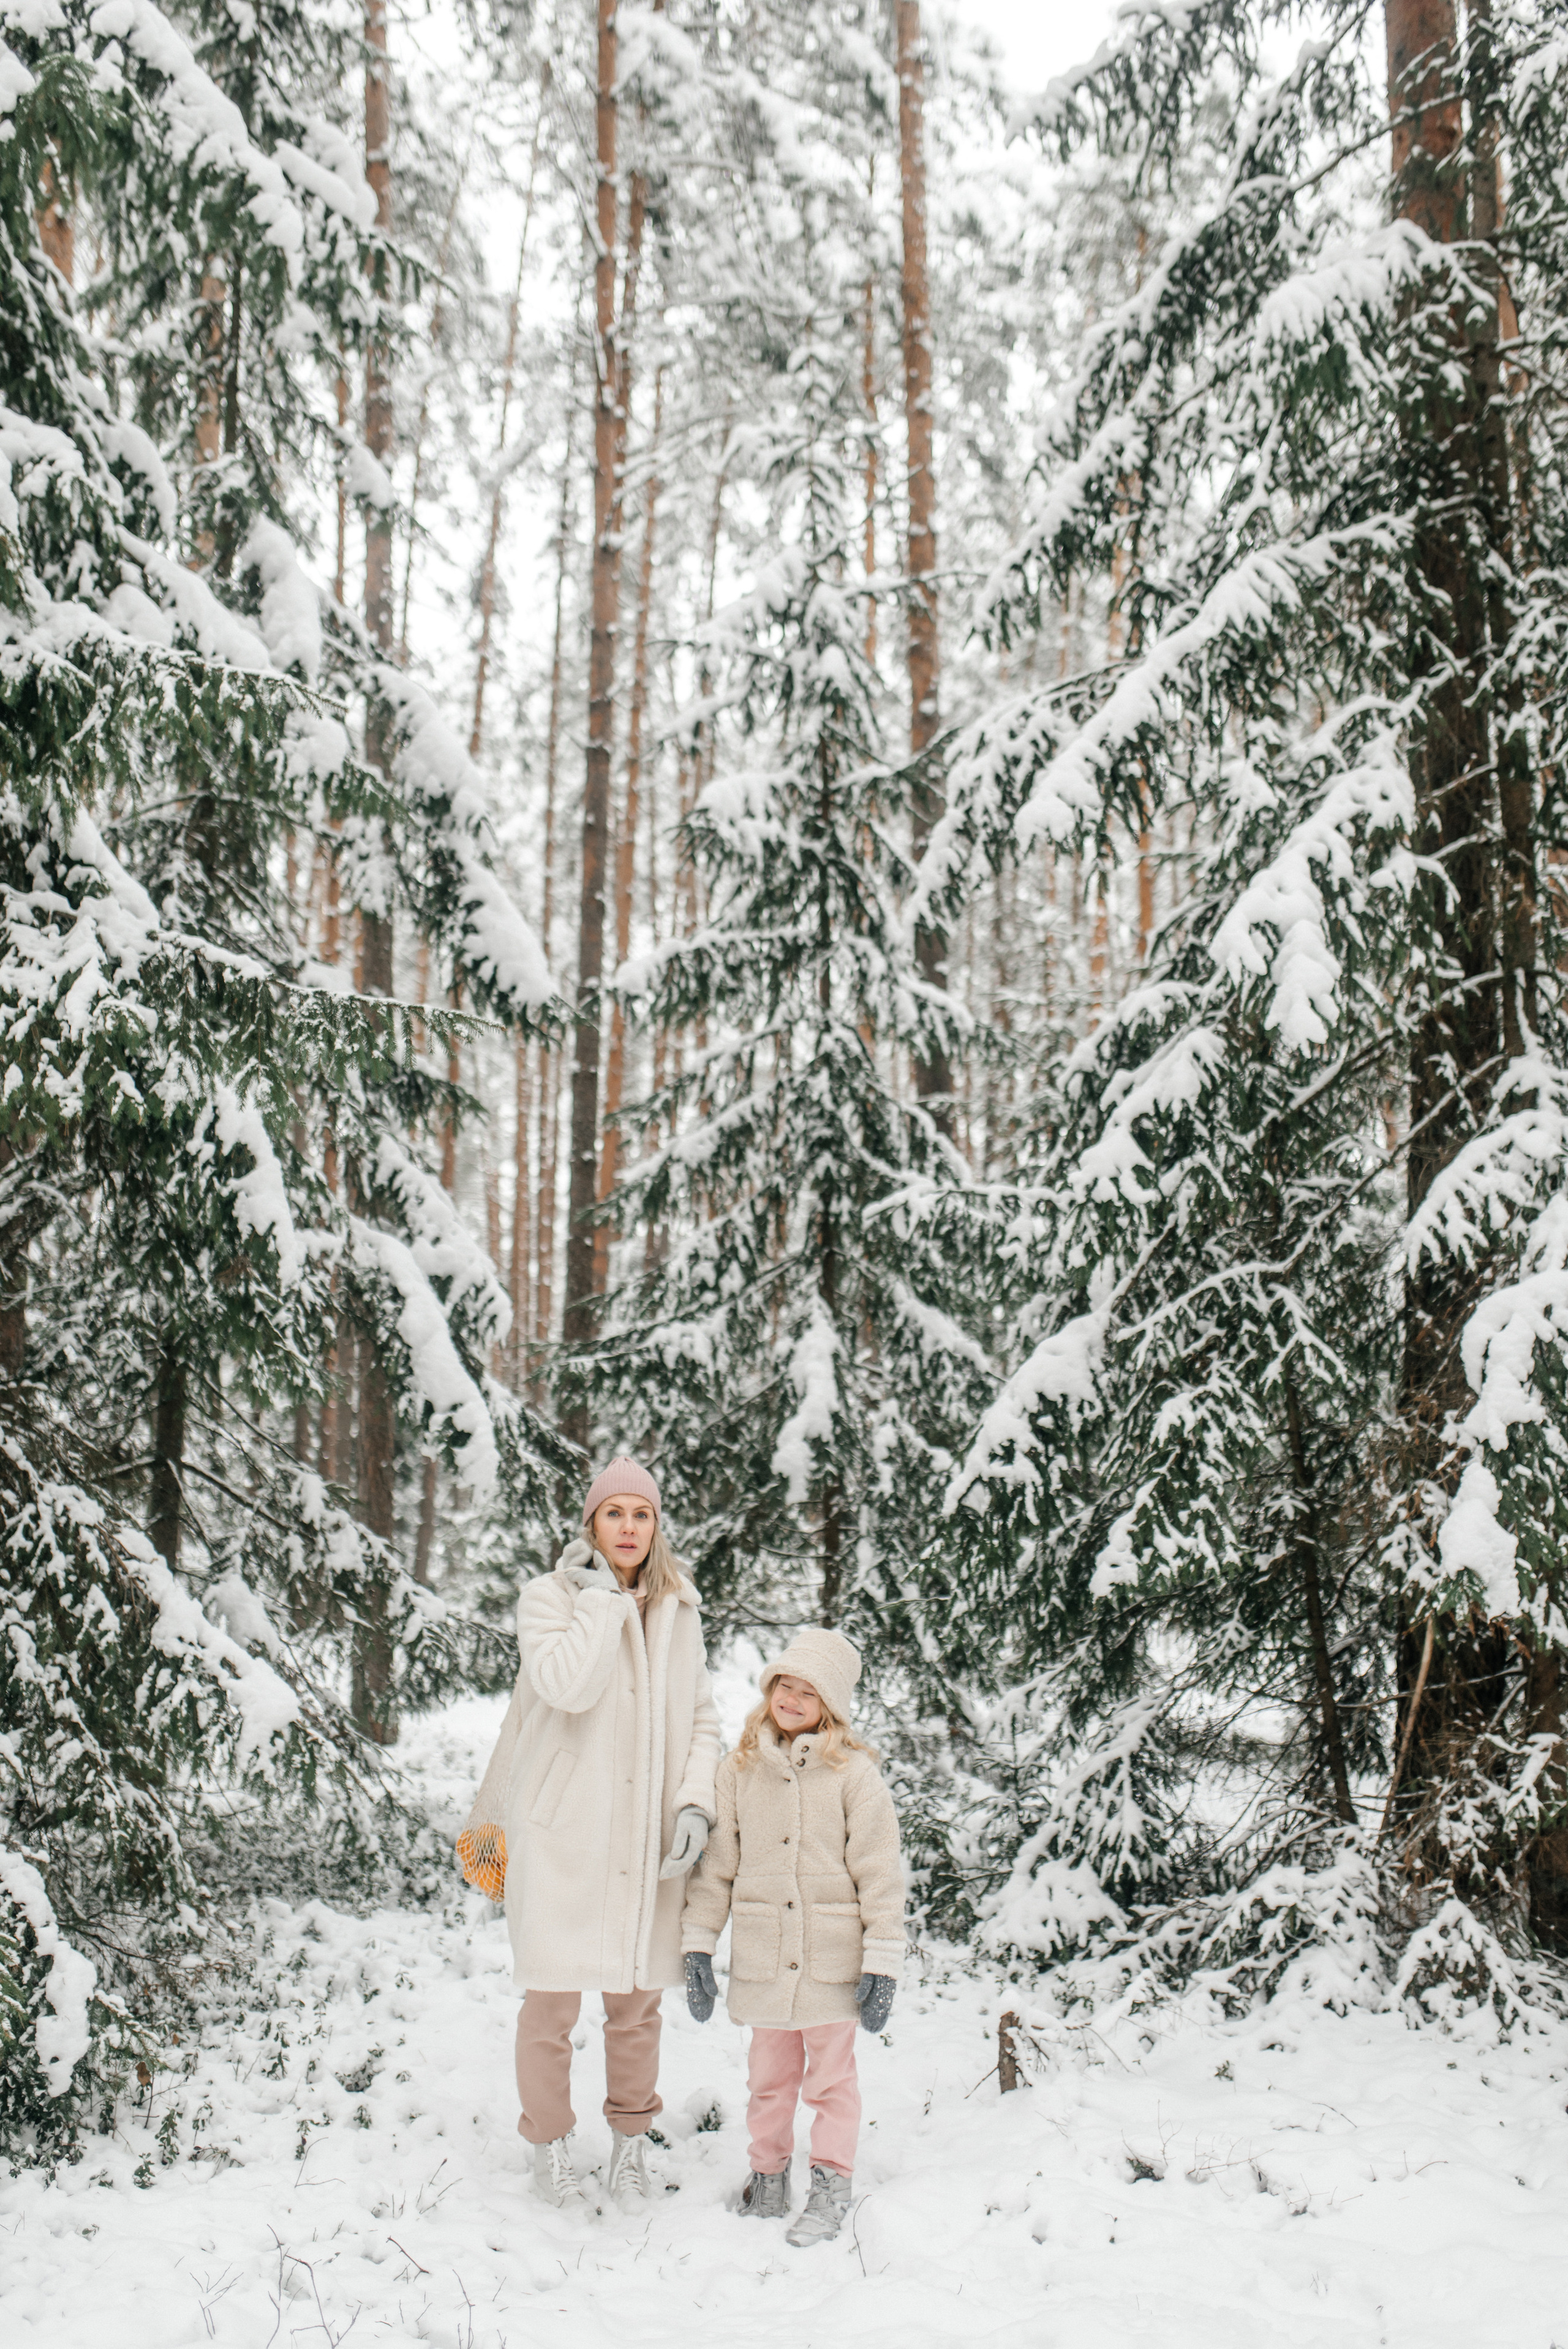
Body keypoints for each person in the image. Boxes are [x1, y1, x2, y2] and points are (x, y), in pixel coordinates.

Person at [457, 1458, 720, 2209]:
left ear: (657, 1526)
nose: (629, 1529)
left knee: (635, 2007)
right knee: (551, 2006)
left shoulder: (680, 1609)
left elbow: (700, 1717)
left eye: (642, 1515)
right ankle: (548, 2144)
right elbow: (566, 1685)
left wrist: (695, 1805)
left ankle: (631, 2145)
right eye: (615, 1515)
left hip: (646, 1836)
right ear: (592, 1525)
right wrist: (602, 1603)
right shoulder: (549, 1598)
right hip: (564, 1832)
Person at [679, 1627, 905, 2247]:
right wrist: (698, 1942)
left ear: (830, 1704)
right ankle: (767, 2177)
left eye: (810, 1692)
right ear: (770, 1689)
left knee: (831, 2081)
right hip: (762, 1954)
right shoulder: (740, 1768)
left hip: (832, 1960)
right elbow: (716, 1867)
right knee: (768, 2080)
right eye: (786, 1685)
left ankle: (832, 2184)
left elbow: (880, 1872)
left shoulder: (854, 1774)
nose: (794, 1700)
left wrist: (882, 1960)